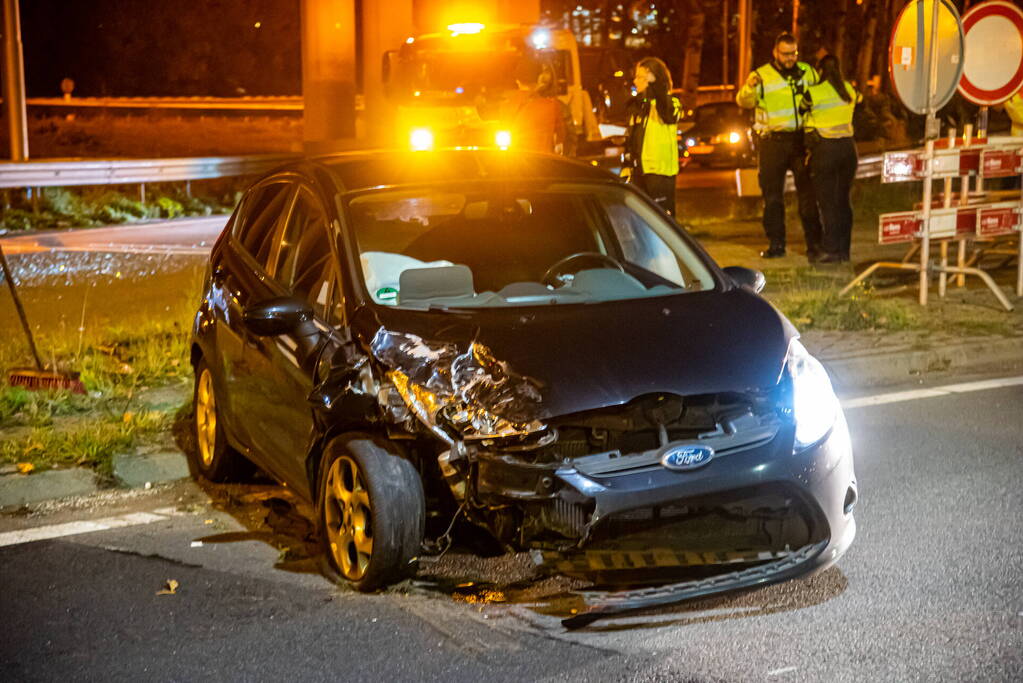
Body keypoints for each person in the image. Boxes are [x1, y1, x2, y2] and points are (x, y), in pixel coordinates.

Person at [736, 32, 822, 260]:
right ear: (775, 52)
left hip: (801, 141)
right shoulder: (761, 76)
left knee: (808, 195)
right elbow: (743, 101)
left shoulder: (807, 72)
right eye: (785, 54)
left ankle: (815, 245)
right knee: (773, 196)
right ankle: (776, 244)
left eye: (793, 53)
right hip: (772, 142)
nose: (789, 58)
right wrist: (750, 87)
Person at [802, 54, 861, 264]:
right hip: (848, 150)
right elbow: (859, 102)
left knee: (828, 203)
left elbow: (802, 110)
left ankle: (830, 249)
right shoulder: (849, 90)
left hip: (825, 150)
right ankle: (844, 250)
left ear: (819, 71)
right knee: (843, 201)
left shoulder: (814, 92)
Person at [624, 57, 681, 217]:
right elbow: (633, 140)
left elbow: (668, 114)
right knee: (641, 218)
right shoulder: (638, 106)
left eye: (641, 77)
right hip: (640, 171)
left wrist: (656, 85)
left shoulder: (671, 102)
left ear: (653, 78)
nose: (635, 81)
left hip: (660, 172)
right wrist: (627, 166)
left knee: (662, 218)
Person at [500, 60, 567, 154]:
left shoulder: (506, 105)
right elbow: (560, 144)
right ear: (538, 80)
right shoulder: (552, 106)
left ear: (517, 80)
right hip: (543, 164)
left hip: (515, 164)